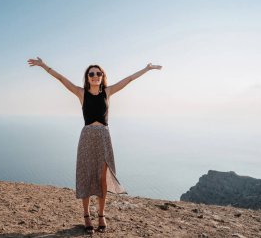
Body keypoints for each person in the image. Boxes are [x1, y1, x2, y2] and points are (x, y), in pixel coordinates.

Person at [27, 57, 162, 234]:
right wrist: (44, 66)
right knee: (86, 175)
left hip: (104, 137)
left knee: (102, 178)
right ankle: (85, 215)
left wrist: (147, 69)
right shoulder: (80, 93)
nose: (95, 76)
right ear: (87, 77)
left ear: (102, 76)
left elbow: (128, 79)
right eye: (91, 73)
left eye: (98, 73)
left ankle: (101, 214)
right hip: (87, 137)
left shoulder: (108, 91)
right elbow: (61, 79)